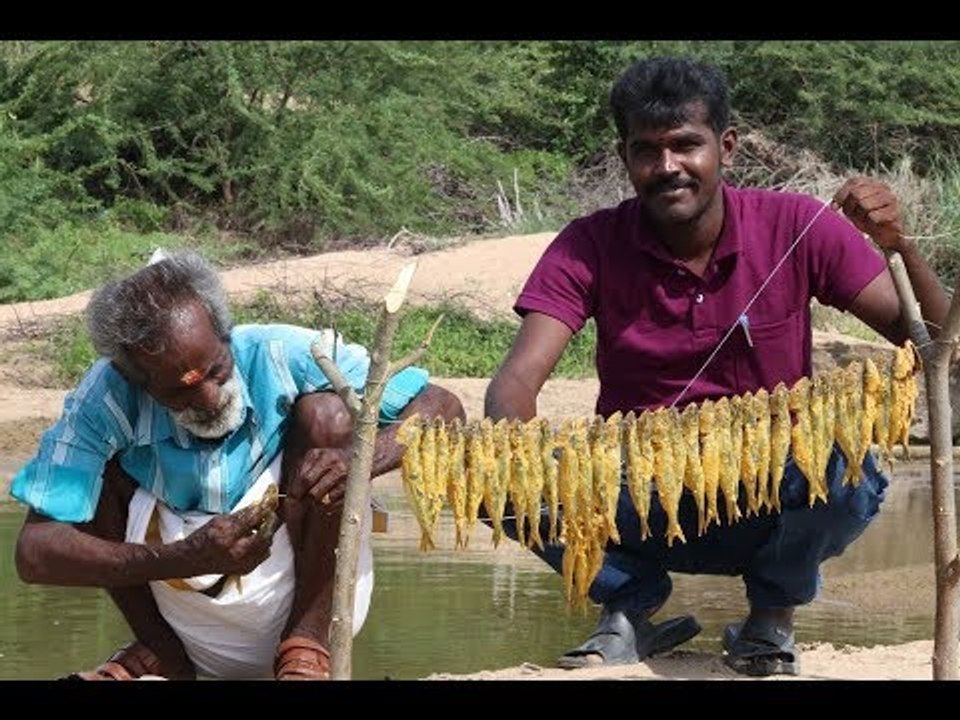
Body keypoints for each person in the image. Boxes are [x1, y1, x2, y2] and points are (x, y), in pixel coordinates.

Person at [484, 56, 949, 677]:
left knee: (850, 461)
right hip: (639, 495)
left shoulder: (797, 225)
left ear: (724, 146)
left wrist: (899, 247)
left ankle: (771, 616)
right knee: (486, 472)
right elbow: (517, 378)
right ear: (624, 156)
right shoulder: (588, 244)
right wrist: (511, 447)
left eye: (685, 145)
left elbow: (937, 341)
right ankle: (630, 601)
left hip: (774, 493)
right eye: (647, 150)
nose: (667, 166)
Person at [10, 250, 464, 680]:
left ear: (226, 333)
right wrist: (182, 558)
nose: (209, 400)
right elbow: (35, 553)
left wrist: (360, 462)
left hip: (302, 591)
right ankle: (160, 652)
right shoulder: (105, 397)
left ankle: (306, 643)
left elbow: (443, 407)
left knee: (330, 416)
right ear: (139, 382)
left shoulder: (281, 352)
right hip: (175, 598)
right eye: (179, 392)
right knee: (101, 473)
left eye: (217, 370)